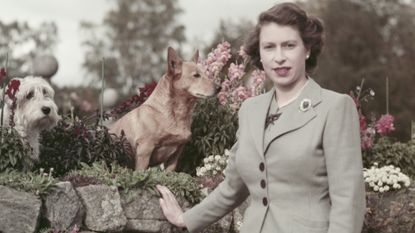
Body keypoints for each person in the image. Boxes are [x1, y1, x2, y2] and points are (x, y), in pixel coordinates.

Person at [156, 2, 366, 233]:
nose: (279, 57)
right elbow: (233, 188)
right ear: (260, 55)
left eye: (289, 45)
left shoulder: (335, 108)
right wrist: (186, 218)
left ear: (307, 49)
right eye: (269, 47)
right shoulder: (250, 110)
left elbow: (348, 202)